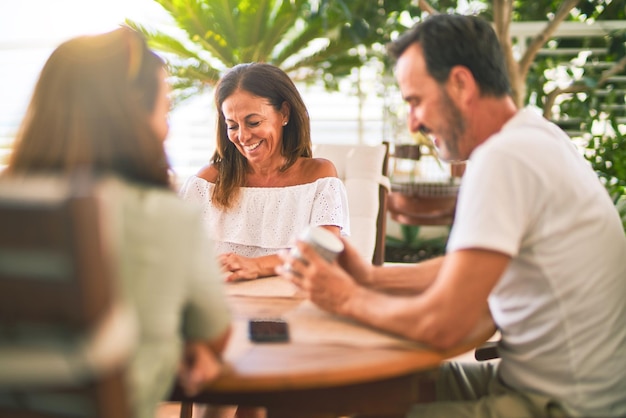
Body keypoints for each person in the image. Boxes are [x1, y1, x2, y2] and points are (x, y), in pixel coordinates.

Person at [278, 13, 626, 418]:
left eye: (415, 101)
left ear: (461, 83)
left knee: (335, 396)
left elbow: (445, 324)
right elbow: (469, 266)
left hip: (561, 406)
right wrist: (372, 278)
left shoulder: (505, 157)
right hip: (535, 382)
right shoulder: (536, 136)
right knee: (352, 390)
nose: (414, 123)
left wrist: (344, 297)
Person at [4, 27, 232, 418]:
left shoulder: (12, 207)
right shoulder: (166, 216)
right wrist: (183, 344)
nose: (168, 127)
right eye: (165, 109)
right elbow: (213, 332)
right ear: (132, 114)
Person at [180, 62, 350, 282]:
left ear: (284, 113)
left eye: (253, 122)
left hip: (291, 306)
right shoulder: (207, 183)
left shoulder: (318, 177)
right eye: (232, 125)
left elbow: (323, 252)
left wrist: (257, 265)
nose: (242, 136)